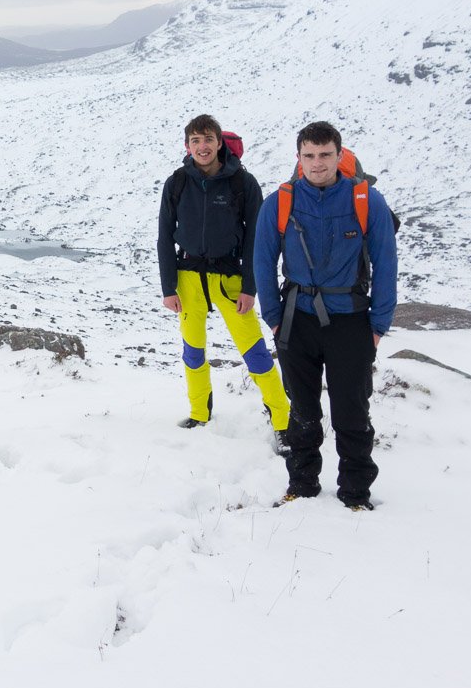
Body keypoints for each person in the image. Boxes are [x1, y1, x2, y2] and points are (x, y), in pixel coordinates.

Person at [254, 121, 397, 510]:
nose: (317, 164)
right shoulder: (279, 202)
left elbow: (387, 264)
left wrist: (378, 325)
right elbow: (263, 262)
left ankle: (355, 493)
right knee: (301, 410)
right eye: (309, 155)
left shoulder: (367, 200)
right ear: (298, 158)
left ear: (339, 155)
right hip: (296, 320)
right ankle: (302, 486)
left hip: (350, 319)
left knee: (352, 411)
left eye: (325, 155)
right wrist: (274, 317)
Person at [157, 114, 291, 442]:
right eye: (195, 141)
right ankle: (200, 413)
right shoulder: (176, 182)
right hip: (188, 278)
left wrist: (250, 287)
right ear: (187, 146)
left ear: (219, 143)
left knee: (255, 352)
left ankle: (283, 421)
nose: (202, 147)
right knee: (193, 351)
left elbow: (255, 241)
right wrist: (168, 287)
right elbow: (164, 237)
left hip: (229, 279)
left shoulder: (242, 184)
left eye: (208, 140)